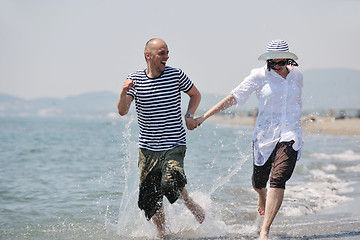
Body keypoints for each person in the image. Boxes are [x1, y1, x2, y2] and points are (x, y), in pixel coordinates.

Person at [195, 39, 303, 240]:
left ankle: (264, 231)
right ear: (268, 62)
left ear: (289, 60)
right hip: (264, 136)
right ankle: (261, 195)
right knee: (258, 182)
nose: (278, 67)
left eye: (282, 63)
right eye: (273, 63)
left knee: (278, 178)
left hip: (290, 134)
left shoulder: (297, 76)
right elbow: (232, 97)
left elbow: (296, 104)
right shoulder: (258, 76)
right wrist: (204, 116)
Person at [117, 38, 205, 237]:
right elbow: (123, 111)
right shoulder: (135, 80)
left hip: (174, 143)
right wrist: (123, 92)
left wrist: (189, 115)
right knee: (151, 196)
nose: (166, 57)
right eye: (162, 53)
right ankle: (162, 233)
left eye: (167, 53)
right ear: (148, 55)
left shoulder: (176, 75)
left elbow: (195, 95)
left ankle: (190, 204)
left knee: (170, 181)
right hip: (147, 148)